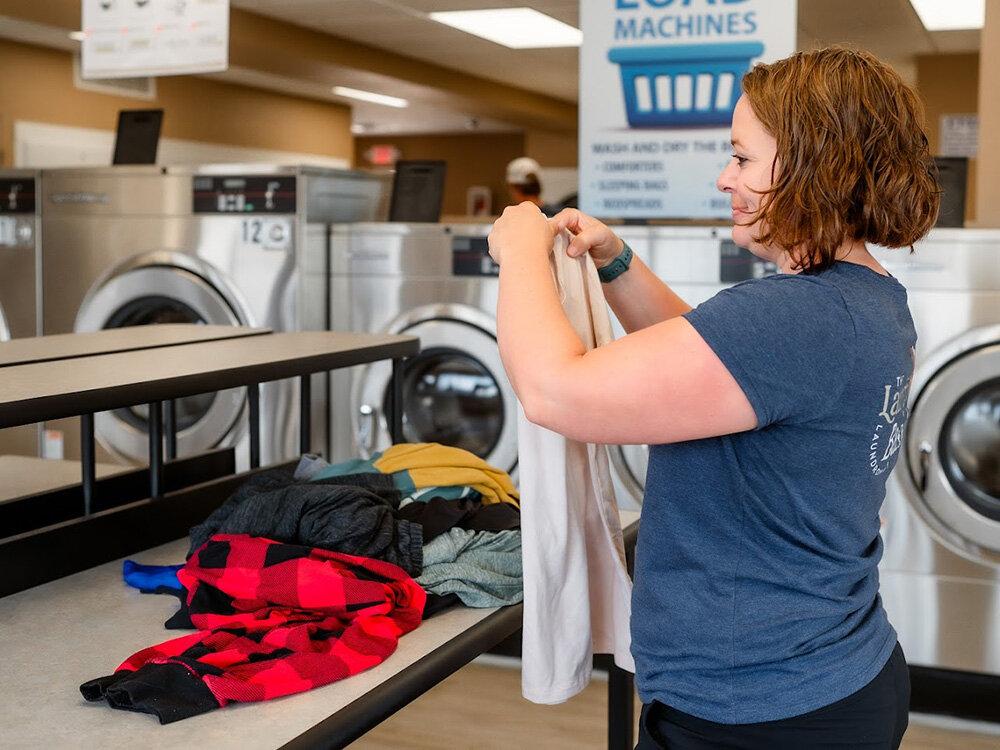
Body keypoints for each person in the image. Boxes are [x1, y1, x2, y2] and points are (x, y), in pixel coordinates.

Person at [487, 47, 938, 749]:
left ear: (819, 167)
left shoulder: (796, 317)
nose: (726, 178)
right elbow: (715, 364)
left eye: (744, 158)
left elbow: (554, 391)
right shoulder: (863, 300)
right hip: (823, 677)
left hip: (758, 710)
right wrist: (616, 264)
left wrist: (518, 251)